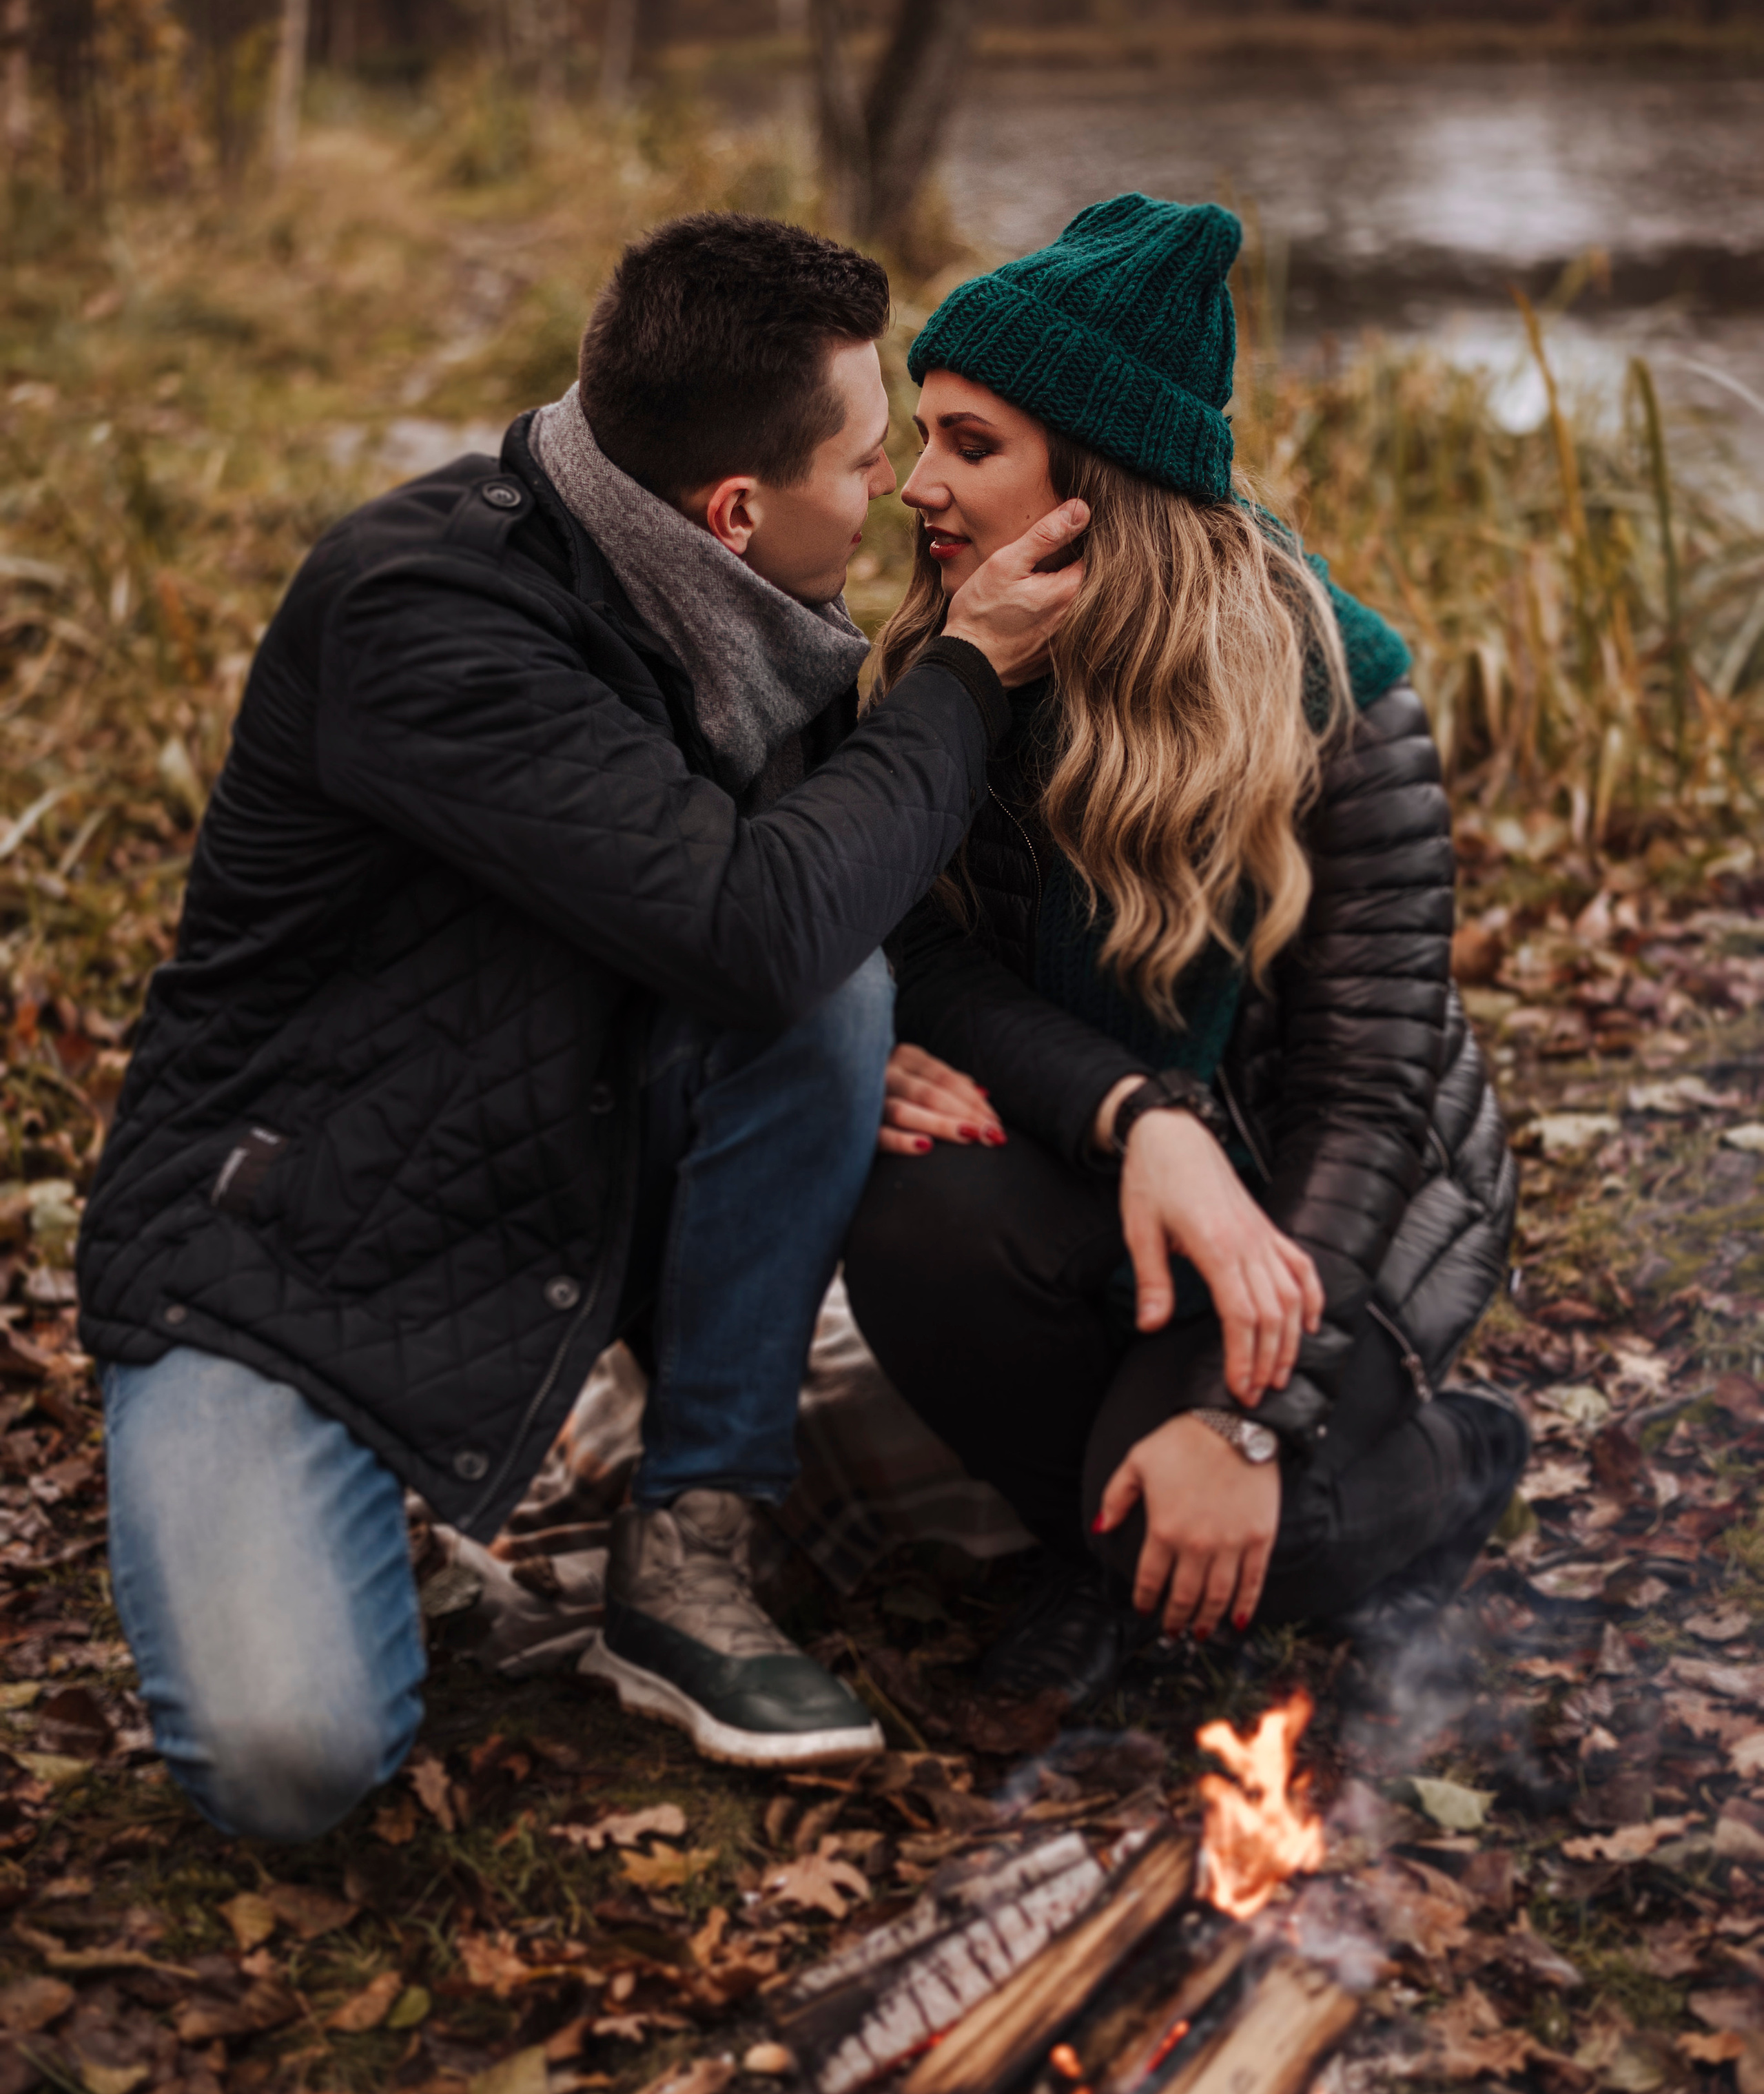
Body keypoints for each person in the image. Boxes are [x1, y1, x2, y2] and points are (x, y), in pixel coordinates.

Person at [76, 212, 1087, 1838]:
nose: (900, 492)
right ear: (736, 508)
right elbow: (747, 926)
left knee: (830, 998)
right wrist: (966, 675)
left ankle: (689, 1552)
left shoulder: (749, 618)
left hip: (560, 1160)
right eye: (870, 458)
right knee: (293, 1764)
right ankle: (329, 1487)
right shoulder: (424, 615)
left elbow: (797, 940)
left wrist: (849, 1045)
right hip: (287, 1255)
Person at [843, 193, 1526, 1710]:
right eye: (922, 434)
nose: (918, 487)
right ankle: (1091, 1539)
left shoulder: (1336, 690)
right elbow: (922, 955)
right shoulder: (958, 661)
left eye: (969, 444)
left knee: (1249, 1542)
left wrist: (1239, 1420)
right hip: (1120, 1158)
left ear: (1092, 480)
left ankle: (1457, 1456)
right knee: (908, 1217)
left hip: (1324, 1194)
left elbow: (1367, 1090)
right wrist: (1133, 1117)